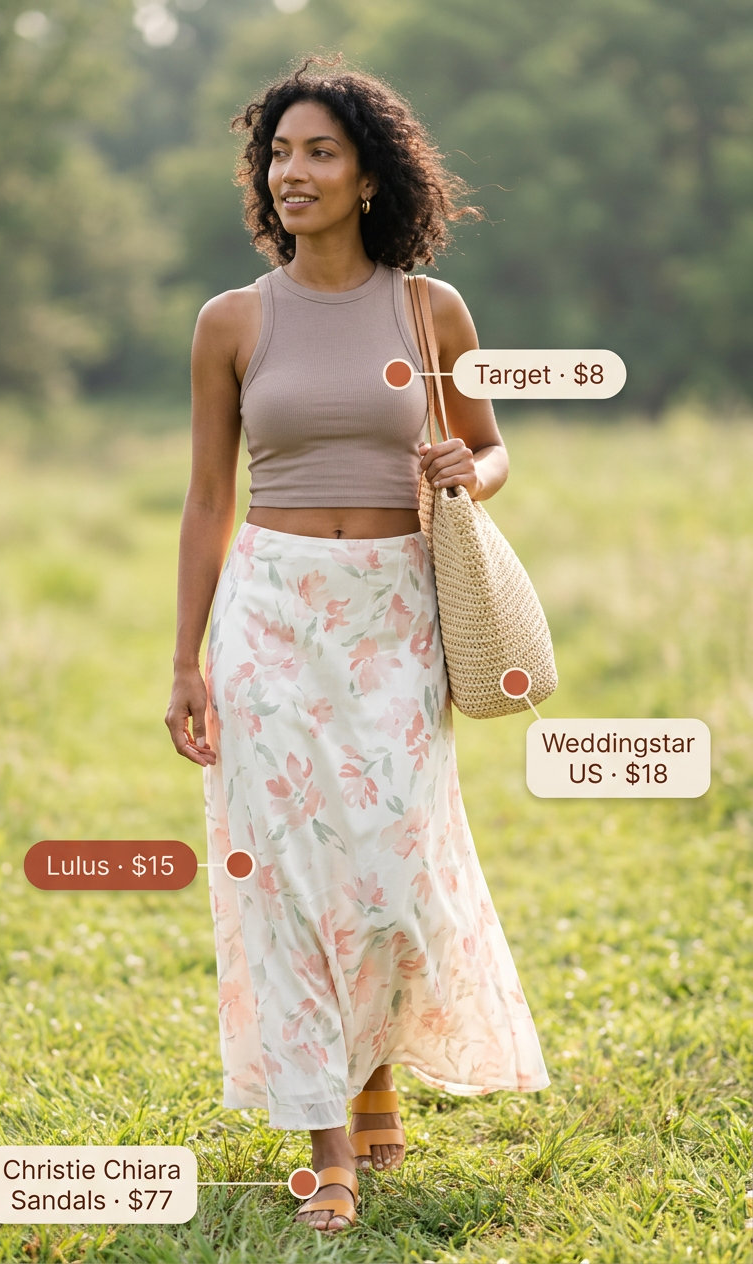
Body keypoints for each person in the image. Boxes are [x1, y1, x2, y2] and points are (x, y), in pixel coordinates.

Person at [165, 55, 550, 1234]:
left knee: (387, 861)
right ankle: (328, 1138)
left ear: (370, 175)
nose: (294, 172)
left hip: (392, 614)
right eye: (279, 153)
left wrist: (462, 468)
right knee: (286, 877)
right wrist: (184, 660)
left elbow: (491, 448)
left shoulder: (430, 311)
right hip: (271, 613)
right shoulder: (231, 321)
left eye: (318, 152)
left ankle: (375, 1069)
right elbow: (204, 499)